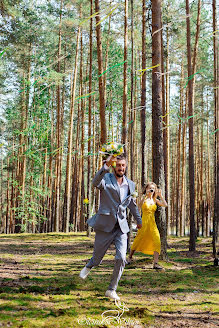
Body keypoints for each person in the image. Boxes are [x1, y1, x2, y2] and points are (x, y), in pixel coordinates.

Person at [79, 153, 142, 300]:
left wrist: (139, 221)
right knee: (98, 258)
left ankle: (111, 289)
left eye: (123, 165)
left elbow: (132, 205)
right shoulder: (106, 179)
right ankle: (90, 265)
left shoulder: (130, 184)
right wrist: (106, 165)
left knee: (121, 258)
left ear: (126, 167)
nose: (121, 168)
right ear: (114, 166)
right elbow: (95, 183)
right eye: (118, 165)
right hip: (105, 224)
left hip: (121, 227)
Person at [127, 182, 167, 269]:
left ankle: (155, 263)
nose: (151, 190)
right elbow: (137, 209)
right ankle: (130, 257)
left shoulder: (155, 200)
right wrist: (137, 221)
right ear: (146, 189)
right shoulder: (143, 199)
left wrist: (160, 195)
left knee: (157, 240)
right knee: (138, 239)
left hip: (152, 224)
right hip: (143, 222)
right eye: (150, 188)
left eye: (153, 189)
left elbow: (165, 205)